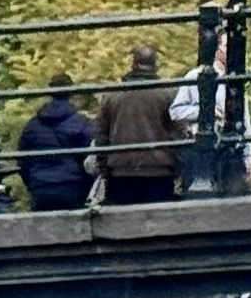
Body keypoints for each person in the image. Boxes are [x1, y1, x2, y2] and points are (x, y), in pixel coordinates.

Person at [92, 42, 185, 203]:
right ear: (155, 65)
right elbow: (179, 134)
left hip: (121, 171)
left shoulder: (112, 96)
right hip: (159, 171)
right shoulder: (167, 95)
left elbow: (101, 136)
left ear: (133, 63)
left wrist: (104, 168)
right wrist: (178, 168)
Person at [15, 81, 97, 212]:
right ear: (71, 93)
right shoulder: (81, 122)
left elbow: (23, 160)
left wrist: (33, 182)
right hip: (73, 185)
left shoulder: (33, 126)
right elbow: (91, 158)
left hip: (41, 187)